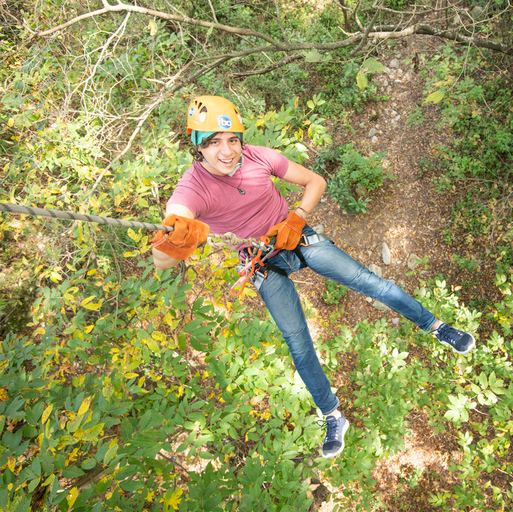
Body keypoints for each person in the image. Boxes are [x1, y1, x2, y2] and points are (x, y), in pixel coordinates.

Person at [150, 96, 476, 459]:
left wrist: (297, 217)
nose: (226, 152)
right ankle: (332, 414)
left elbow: (315, 181)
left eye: (232, 140)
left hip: (296, 238)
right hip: (260, 261)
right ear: (197, 147)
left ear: (241, 139)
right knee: (298, 340)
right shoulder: (192, 188)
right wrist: (177, 237)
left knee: (369, 282)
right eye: (212, 142)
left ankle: (435, 326)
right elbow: (161, 259)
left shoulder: (259, 157)